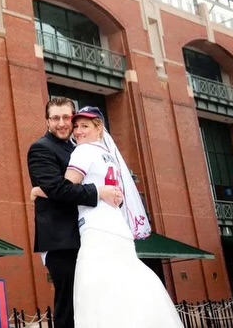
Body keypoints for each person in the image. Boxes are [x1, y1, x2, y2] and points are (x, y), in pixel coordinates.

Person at [32, 106, 184, 328]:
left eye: (84, 126)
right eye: (77, 126)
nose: (77, 130)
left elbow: (62, 187)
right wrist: (100, 192)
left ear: (99, 128)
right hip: (115, 227)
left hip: (96, 228)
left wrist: (38, 191)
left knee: (91, 291)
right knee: (120, 286)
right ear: (47, 120)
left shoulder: (83, 151)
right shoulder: (109, 156)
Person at [27, 97, 123, 328]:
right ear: (47, 121)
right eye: (55, 118)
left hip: (87, 236)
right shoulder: (41, 148)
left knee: (90, 303)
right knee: (69, 303)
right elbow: (58, 189)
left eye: (66, 117)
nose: (61, 123)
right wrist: (98, 192)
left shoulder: (80, 147)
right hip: (61, 241)